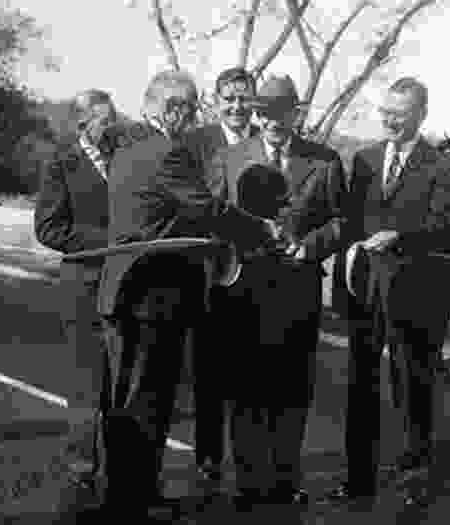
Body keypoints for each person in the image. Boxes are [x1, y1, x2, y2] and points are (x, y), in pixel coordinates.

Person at [95, 70, 280, 520]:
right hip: (153, 296)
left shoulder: (126, 148)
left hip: (122, 292)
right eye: (191, 107)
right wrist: (261, 229)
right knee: (148, 403)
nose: (193, 117)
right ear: (172, 109)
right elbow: (206, 209)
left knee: (125, 401)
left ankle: (125, 493)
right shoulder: (166, 153)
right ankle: (136, 500)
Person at [205, 74, 347, 509]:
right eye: (264, 113)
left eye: (280, 113)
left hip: (298, 290)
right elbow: (210, 217)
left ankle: (284, 481)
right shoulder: (228, 159)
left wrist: (310, 247)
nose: (271, 122)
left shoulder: (325, 161)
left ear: (295, 115)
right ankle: (249, 482)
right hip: (242, 292)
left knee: (291, 388)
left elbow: (343, 221)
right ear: (255, 113)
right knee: (246, 388)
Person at [327, 77, 450, 508]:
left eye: (399, 113)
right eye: (384, 111)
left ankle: (414, 481)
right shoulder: (364, 160)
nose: (388, 119)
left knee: (413, 387)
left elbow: (448, 231)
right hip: (365, 293)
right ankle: (358, 479)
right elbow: (347, 224)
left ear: (421, 115)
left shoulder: (440, 166)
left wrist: (400, 235)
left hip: (415, 298)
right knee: (360, 386)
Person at [34, 89, 116, 497]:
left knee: (121, 385)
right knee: (87, 384)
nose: (112, 125)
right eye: (104, 119)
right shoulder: (62, 162)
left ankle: (123, 471)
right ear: (83, 124)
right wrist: (103, 242)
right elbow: (48, 227)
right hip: (83, 286)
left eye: (113, 117)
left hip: (125, 288)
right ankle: (82, 466)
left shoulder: (125, 160)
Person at [185, 66, 261, 485]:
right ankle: (208, 455)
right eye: (229, 99)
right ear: (216, 101)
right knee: (209, 367)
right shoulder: (196, 143)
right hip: (209, 270)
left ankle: (250, 459)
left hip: (255, 270)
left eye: (244, 99)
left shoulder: (261, 142)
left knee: (250, 369)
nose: (236, 106)